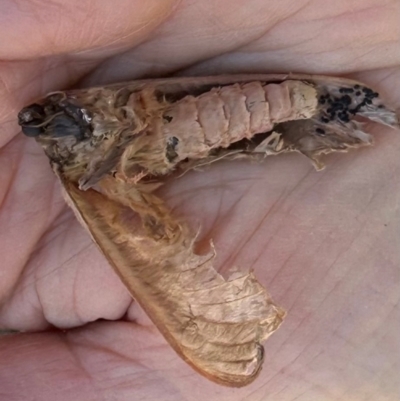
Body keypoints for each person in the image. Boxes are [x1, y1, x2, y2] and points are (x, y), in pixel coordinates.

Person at [0, 1, 399, 400]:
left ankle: (310, 104)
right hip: (207, 121)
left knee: (267, 107)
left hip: (247, 103)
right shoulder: (91, 162)